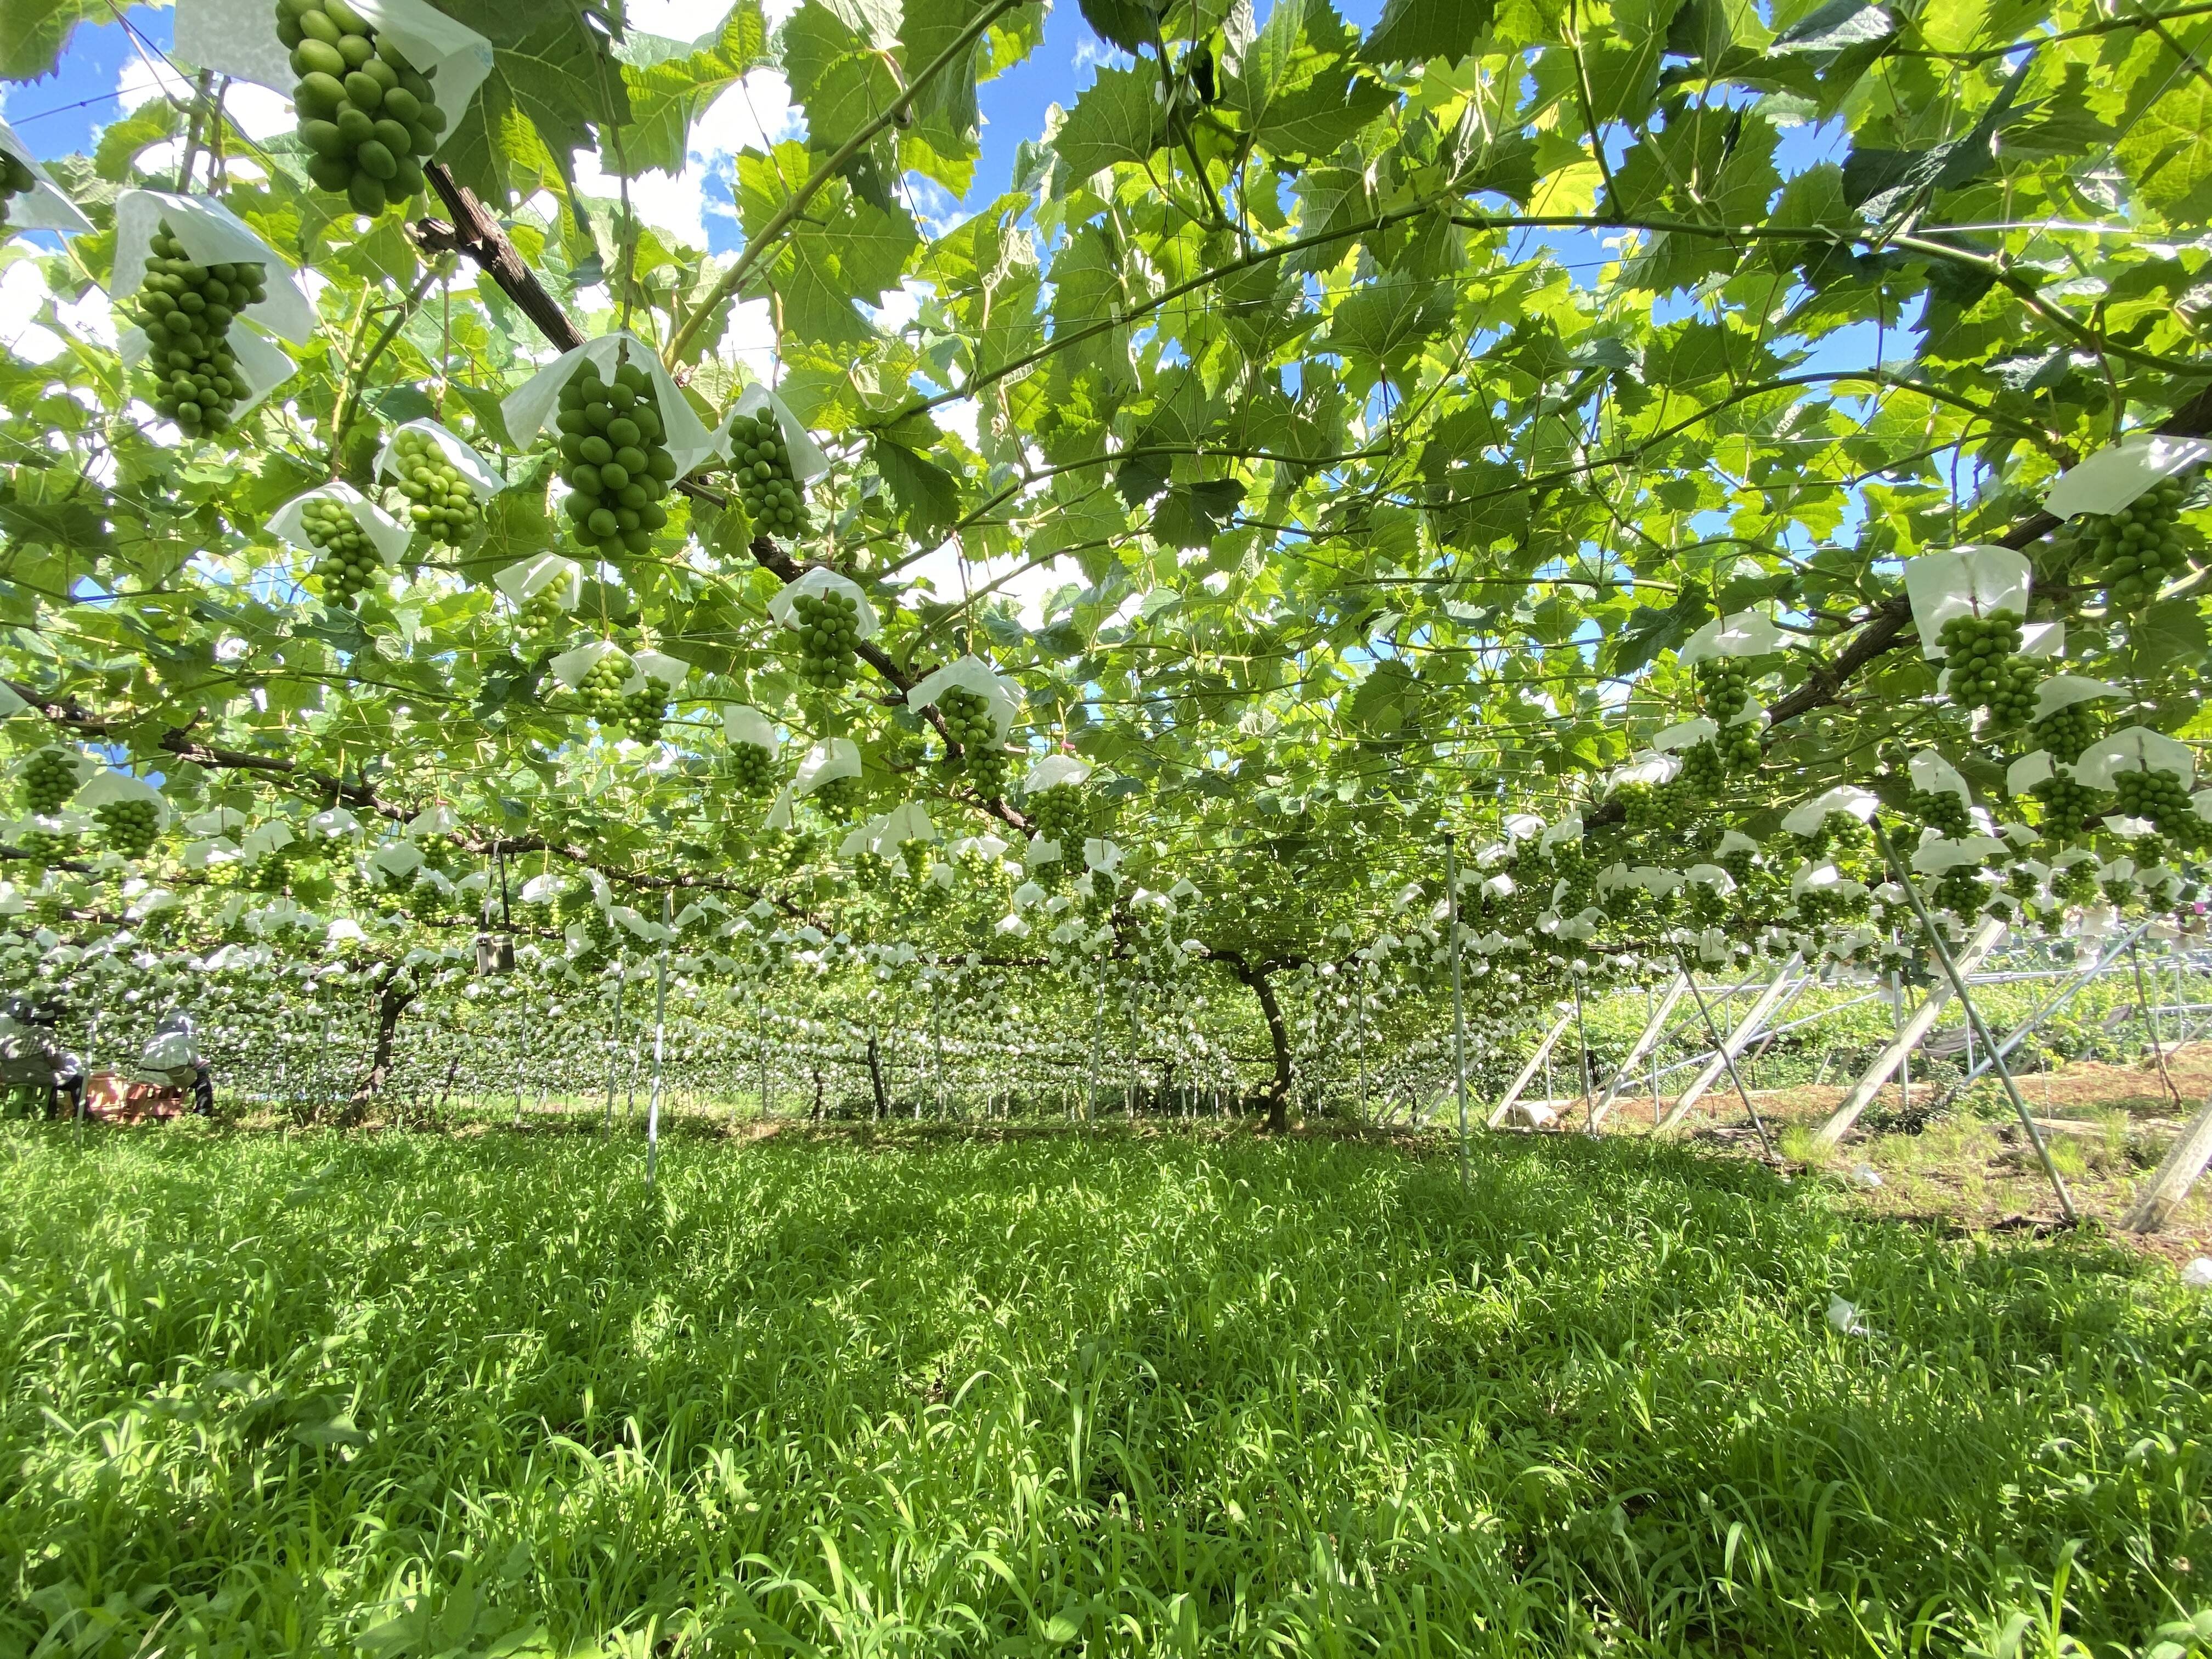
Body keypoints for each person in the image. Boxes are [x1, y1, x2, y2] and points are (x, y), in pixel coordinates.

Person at [0, 996, 86, 1119]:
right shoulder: (46, 1033)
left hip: (10, 1076)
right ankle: (83, 1115)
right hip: (36, 1077)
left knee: (52, 1077)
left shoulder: (11, 1032)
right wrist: (61, 1065)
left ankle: (50, 1114)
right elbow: (55, 1062)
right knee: (75, 1081)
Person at [138, 1008, 214, 1115]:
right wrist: (204, 1065)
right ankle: (203, 1112)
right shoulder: (184, 1038)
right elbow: (194, 1060)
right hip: (169, 1077)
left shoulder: (154, 1038)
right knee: (203, 1081)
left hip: (145, 1075)